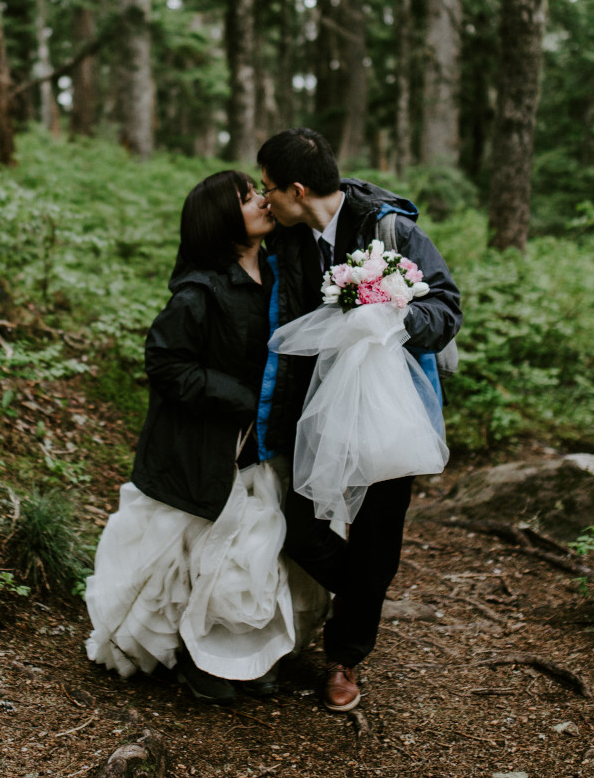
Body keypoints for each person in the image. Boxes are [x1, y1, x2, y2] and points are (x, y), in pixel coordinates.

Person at [85, 170, 326, 704]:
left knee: (261, 550)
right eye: (246, 198)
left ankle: (242, 653)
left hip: (265, 447)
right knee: (205, 552)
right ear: (222, 220)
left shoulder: (281, 271)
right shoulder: (199, 292)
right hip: (205, 448)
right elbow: (166, 364)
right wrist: (243, 398)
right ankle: (199, 661)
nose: (261, 201)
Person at [255, 127, 463, 712]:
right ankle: (365, 593)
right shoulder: (286, 240)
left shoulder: (391, 229)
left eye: (270, 189)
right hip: (307, 411)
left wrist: (391, 317)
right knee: (296, 523)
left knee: (376, 533)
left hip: (385, 408)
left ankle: (345, 657)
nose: (265, 199)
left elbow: (445, 308)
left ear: (298, 189)